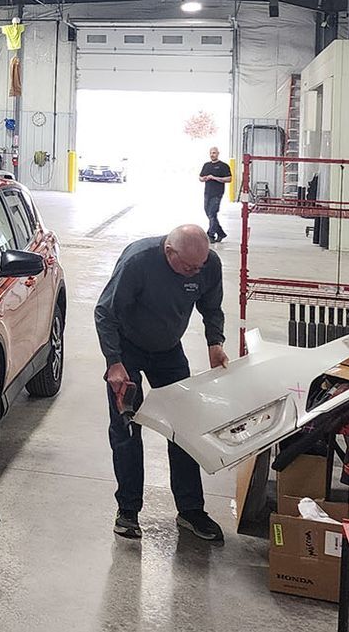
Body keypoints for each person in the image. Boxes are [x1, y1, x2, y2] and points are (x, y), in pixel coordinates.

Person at [94, 224, 230, 543]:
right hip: (127, 350)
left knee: (183, 429)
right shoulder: (138, 262)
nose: (194, 273)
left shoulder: (206, 263)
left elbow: (211, 305)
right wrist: (114, 362)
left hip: (169, 350)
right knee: (127, 428)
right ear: (169, 251)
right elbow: (105, 313)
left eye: (199, 266)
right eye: (188, 267)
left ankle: (191, 510)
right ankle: (127, 511)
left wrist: (215, 342)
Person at [198, 147, 233, 243]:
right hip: (207, 193)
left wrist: (214, 178)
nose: (212, 155)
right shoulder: (206, 165)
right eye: (211, 153)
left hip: (217, 193)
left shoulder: (223, 166)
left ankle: (210, 234)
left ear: (218, 153)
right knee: (208, 213)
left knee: (212, 213)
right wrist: (204, 178)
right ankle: (221, 233)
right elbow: (200, 178)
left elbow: (229, 179)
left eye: (214, 153)